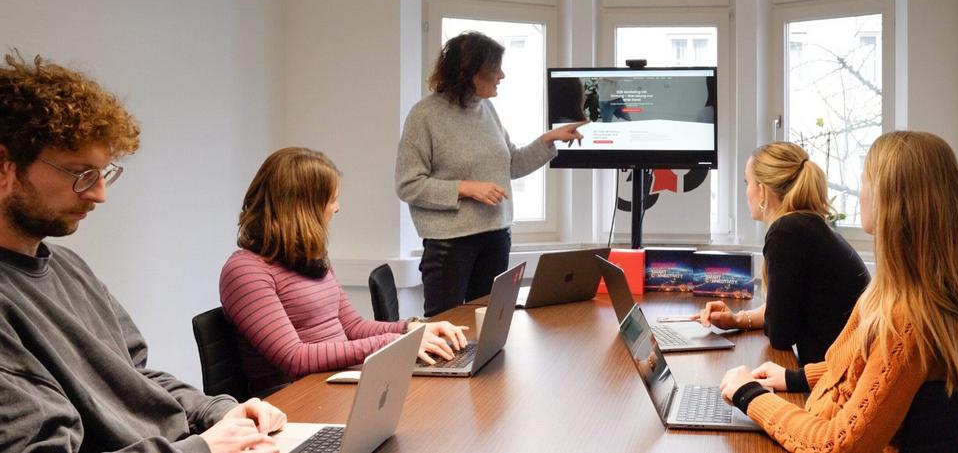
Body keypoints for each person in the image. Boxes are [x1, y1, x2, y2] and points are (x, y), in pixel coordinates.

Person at [0, 51, 286, 452]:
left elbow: (134, 378)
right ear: (5, 167)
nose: (99, 194)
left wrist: (218, 412)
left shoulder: (70, 268)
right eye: (81, 174)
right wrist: (201, 449)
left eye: (104, 174)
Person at [720, 131, 958, 453]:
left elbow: (838, 446)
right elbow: (866, 367)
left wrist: (749, 394)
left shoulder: (909, 316)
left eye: (865, 181)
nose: (860, 193)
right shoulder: (942, 289)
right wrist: (795, 378)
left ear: (890, 201)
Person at [220, 147, 468, 394]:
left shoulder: (310, 257)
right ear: (302, 207)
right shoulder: (245, 271)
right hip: (296, 397)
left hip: (335, 381)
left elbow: (352, 327)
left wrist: (410, 330)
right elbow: (295, 357)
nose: (337, 208)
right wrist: (395, 343)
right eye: (331, 200)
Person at [395, 31, 585, 317]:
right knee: (448, 327)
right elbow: (408, 184)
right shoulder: (424, 116)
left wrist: (549, 139)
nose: (502, 75)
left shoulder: (487, 109)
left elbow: (512, 165)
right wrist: (466, 188)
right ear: (471, 72)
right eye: (496, 69)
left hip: (496, 237)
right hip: (450, 246)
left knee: (491, 324)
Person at [693, 142, 869, 365]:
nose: (746, 192)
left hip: (835, 375)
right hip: (839, 367)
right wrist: (737, 319)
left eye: (747, 182)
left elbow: (781, 334)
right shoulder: (806, 226)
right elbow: (784, 309)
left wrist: (752, 320)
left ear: (762, 190)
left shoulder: (786, 232)